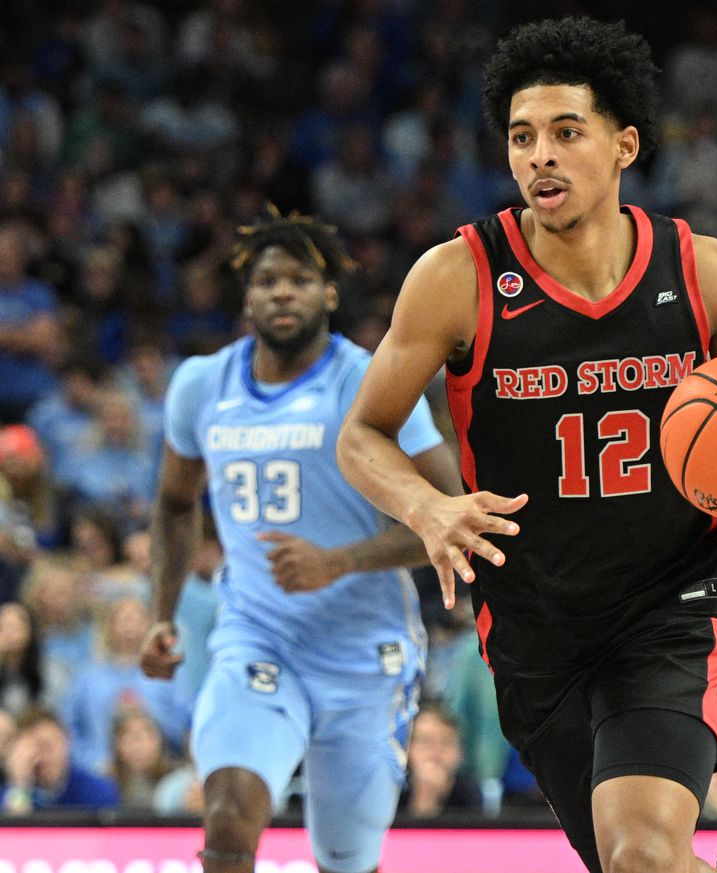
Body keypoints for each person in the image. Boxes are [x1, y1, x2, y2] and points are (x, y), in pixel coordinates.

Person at [336, 17, 717, 873]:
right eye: (522, 137)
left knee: (639, 853)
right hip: (533, 624)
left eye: (567, 133)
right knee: (624, 863)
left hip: (667, 605)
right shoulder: (458, 277)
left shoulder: (705, 272)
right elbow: (361, 433)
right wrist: (426, 506)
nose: (541, 156)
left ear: (624, 145)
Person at [138, 210, 460, 873]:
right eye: (267, 281)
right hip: (257, 635)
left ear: (330, 293)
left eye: (300, 279)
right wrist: (161, 615)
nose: (282, 292)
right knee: (228, 815)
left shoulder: (368, 381)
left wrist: (338, 562)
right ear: (246, 297)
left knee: (345, 860)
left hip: (362, 650)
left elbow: (448, 513)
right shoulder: (201, 385)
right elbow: (174, 502)